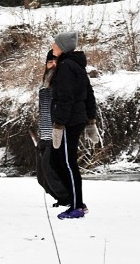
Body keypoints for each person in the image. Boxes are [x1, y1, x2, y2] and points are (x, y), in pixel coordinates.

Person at [48, 31, 98, 220]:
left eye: (55, 43)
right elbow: (89, 93)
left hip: (69, 122)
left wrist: (59, 125)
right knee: (57, 161)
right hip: (74, 120)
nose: (53, 46)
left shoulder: (67, 67)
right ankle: (74, 199)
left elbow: (66, 99)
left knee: (68, 164)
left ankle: (77, 206)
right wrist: (90, 119)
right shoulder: (73, 65)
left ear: (62, 47)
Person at [36, 50, 71, 208]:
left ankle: (67, 198)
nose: (53, 65)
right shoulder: (43, 87)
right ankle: (60, 197)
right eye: (50, 62)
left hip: (56, 134)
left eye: (56, 62)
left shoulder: (62, 83)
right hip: (43, 135)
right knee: (41, 176)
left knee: (49, 168)